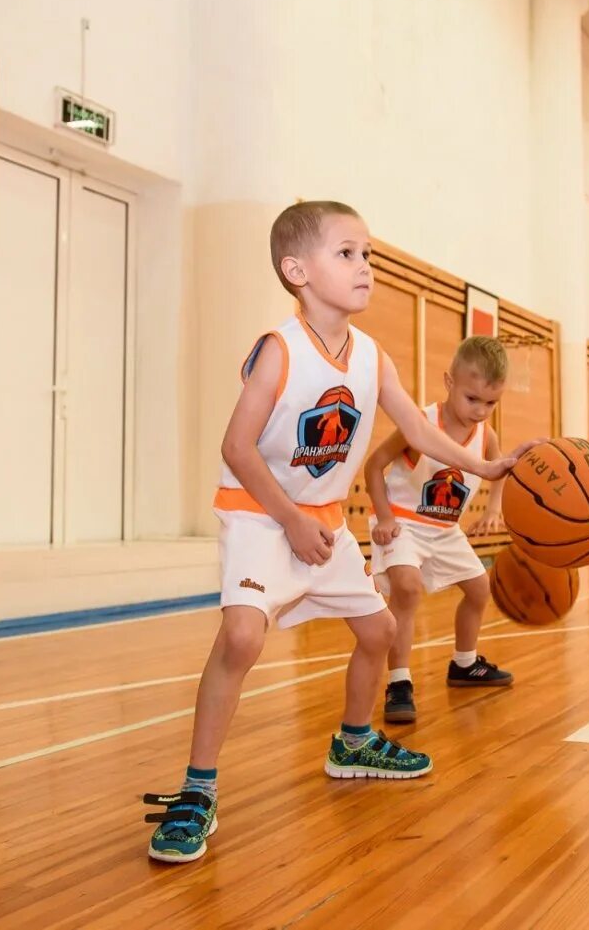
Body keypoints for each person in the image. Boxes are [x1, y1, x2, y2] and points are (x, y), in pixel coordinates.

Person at [143, 201, 530, 863]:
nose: (364, 266)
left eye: (367, 254)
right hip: (260, 515)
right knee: (240, 636)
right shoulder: (278, 351)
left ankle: (352, 741)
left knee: (379, 631)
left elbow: (420, 431)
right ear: (297, 270)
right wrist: (289, 519)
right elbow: (237, 447)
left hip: (320, 525)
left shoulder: (373, 357)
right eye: (345, 253)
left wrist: (486, 463)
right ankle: (196, 791)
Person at [364, 335, 514, 724]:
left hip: (446, 528)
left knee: (481, 588)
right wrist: (383, 517)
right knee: (408, 589)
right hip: (404, 522)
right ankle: (399, 681)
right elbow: (373, 466)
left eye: (491, 402)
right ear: (449, 382)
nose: (481, 411)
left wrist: (493, 508)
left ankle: (464, 664)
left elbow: (500, 470)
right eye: (472, 398)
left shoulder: (487, 436)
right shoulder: (421, 424)